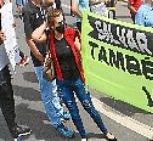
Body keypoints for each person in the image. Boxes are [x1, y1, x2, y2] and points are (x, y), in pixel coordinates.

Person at [31, 9, 116, 141]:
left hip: (77, 79)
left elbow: (81, 50)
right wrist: (45, 24)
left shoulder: (71, 33)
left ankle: (105, 131)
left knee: (89, 107)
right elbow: (35, 36)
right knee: (74, 112)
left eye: (63, 20)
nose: (62, 24)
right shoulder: (49, 37)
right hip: (62, 82)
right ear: (52, 25)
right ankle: (83, 136)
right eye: (59, 22)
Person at [23, 0, 74, 138]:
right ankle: (56, 122)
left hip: (49, 52)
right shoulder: (28, 10)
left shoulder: (41, 6)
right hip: (40, 58)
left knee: (54, 87)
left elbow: (51, 0)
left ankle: (59, 111)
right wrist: (39, 58)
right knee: (47, 92)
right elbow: (29, 38)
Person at [0, 25, 31, 140]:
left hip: (2, 65)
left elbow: (9, 40)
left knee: (7, 98)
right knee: (5, 98)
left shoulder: (3, 12)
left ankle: (14, 129)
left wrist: (19, 55)